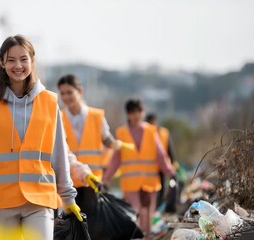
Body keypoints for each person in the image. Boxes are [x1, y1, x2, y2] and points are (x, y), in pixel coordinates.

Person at [0, 35, 81, 240]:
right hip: (0, 202)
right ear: (2, 63)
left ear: (32, 61)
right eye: (11, 60)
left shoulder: (50, 103)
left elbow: (59, 153)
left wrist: (68, 197)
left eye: (23, 59)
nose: (18, 65)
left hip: (39, 200)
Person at [57, 74, 133, 212]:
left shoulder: (96, 116)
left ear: (79, 91)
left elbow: (107, 140)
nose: (66, 97)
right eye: (62, 93)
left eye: (69, 92)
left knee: (92, 222)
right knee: (72, 222)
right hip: (69, 179)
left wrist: (117, 144)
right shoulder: (59, 118)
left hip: (92, 178)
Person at [102, 99, 175, 239]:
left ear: (143, 112)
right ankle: (136, 237)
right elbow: (116, 158)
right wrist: (106, 179)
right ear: (128, 114)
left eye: (139, 111)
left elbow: (160, 154)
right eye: (133, 112)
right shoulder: (122, 133)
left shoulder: (151, 131)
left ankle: (146, 237)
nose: (136, 115)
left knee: (147, 213)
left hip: (149, 181)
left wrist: (170, 171)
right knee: (134, 212)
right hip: (131, 182)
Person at [146, 113, 178, 213]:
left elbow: (169, 149)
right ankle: (153, 209)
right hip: (149, 168)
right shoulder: (145, 133)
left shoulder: (164, 133)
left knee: (162, 189)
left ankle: (157, 208)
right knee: (151, 191)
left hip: (161, 166)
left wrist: (173, 163)